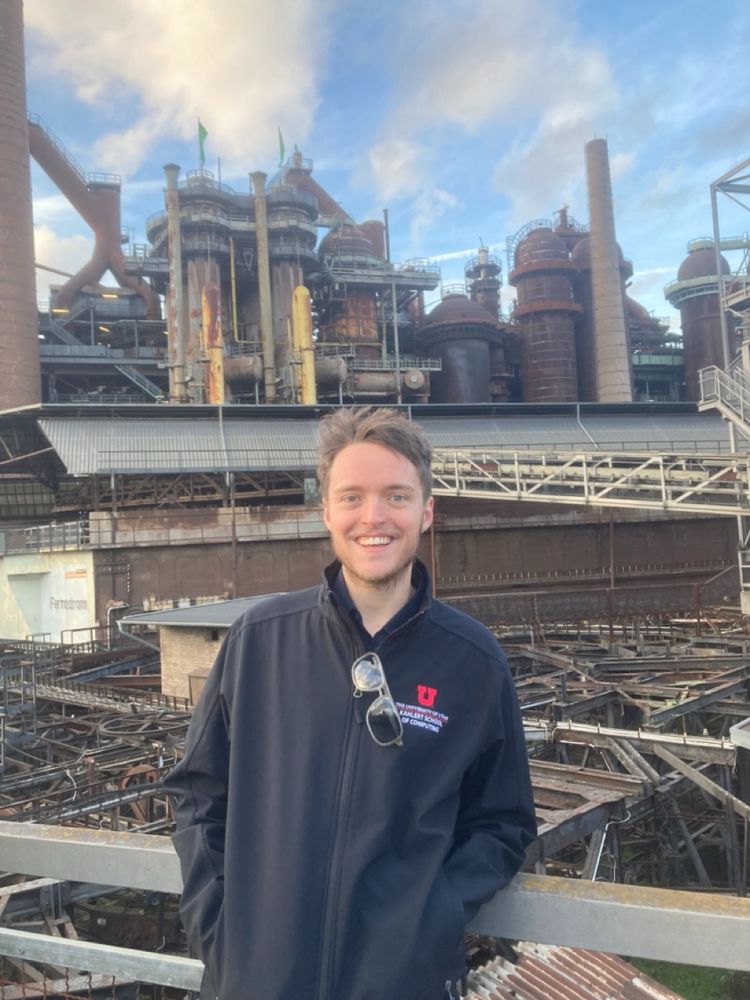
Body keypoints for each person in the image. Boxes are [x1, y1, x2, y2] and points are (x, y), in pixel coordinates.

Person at [165, 406, 536, 1000]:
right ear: (327, 511)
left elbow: (503, 822)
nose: (374, 517)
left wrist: (430, 916)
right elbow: (197, 793)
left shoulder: (473, 661)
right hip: (257, 980)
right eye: (352, 497)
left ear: (427, 511)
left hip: (399, 984)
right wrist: (220, 929)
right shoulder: (260, 640)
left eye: (396, 496)